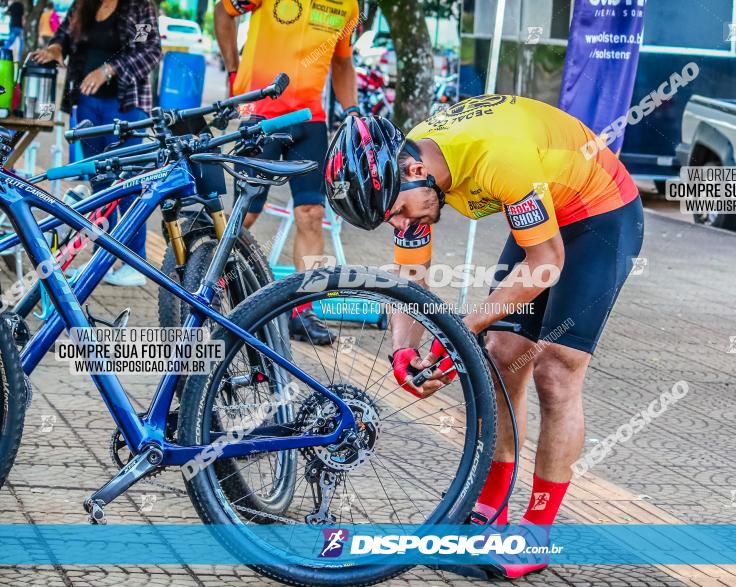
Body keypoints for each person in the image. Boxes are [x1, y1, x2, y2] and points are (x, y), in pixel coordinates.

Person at [325, 96, 644, 578]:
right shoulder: (412, 172)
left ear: (413, 168)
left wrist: (461, 333)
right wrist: (403, 349)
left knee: (556, 370)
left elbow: (546, 264)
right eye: (390, 221)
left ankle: (536, 534)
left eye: (396, 212)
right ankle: (491, 507)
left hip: (601, 213)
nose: (401, 225)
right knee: (501, 355)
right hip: (543, 204)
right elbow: (410, 280)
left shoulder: (496, 157)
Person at [214, 0, 360, 345]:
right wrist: (234, 72)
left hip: (310, 120)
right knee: (246, 213)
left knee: (311, 213)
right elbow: (223, 12)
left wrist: (352, 110)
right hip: (260, 114)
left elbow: (343, 61)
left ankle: (302, 311)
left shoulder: (349, 5)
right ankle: (208, 291)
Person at [33, 0, 161, 287]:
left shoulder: (139, 6)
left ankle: (134, 262)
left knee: (127, 184)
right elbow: (65, 35)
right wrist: (55, 48)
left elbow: (150, 51)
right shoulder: (84, 4)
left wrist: (109, 69)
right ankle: (102, 257)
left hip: (126, 107)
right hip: (88, 105)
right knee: (100, 185)